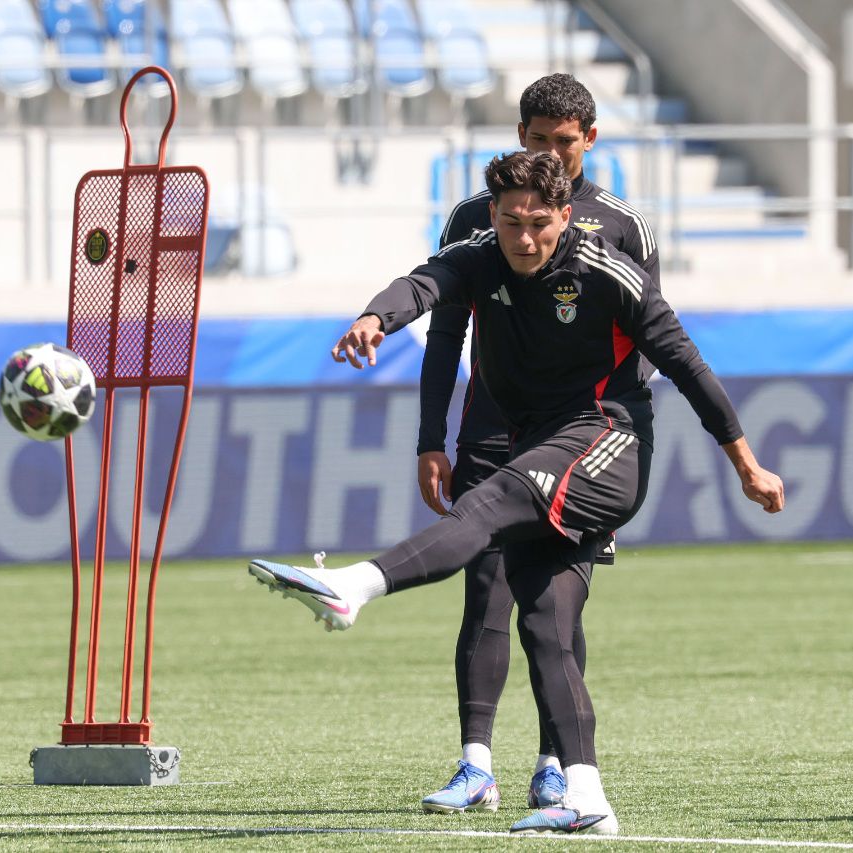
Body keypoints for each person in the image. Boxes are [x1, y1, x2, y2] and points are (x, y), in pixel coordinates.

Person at [247, 151, 783, 835]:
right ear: (494, 216)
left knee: (495, 500)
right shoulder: (479, 255)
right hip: (540, 446)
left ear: (565, 215)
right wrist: (376, 318)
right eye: (509, 223)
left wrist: (746, 463)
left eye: (538, 223)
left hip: (609, 442)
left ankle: (356, 586)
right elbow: (423, 284)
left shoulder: (605, 269)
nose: (523, 239)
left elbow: (686, 363)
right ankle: (587, 798)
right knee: (546, 624)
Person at [413, 74, 660, 814]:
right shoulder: (476, 216)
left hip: (580, 437)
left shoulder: (622, 225)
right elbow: (445, 332)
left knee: (555, 604)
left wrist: (607, 441)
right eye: (540, 138)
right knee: (482, 583)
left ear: (591, 138)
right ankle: (474, 765)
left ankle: (556, 766)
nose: (554, 151)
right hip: (491, 427)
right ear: (521, 135)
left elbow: (647, 342)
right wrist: (434, 437)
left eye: (567, 140)